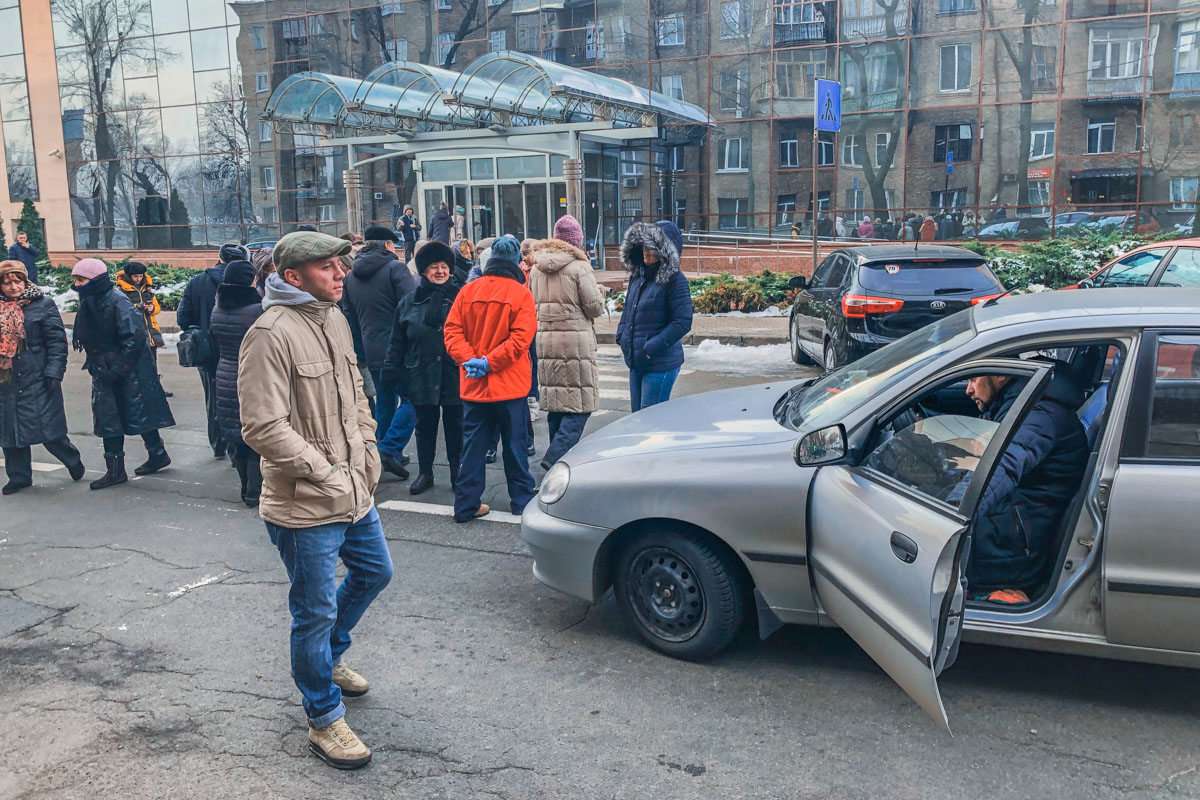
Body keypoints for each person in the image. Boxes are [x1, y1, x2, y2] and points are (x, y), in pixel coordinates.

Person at [238, 231, 390, 771]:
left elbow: (357, 398)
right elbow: (262, 426)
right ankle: (323, 717)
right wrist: (325, 472)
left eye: (340, 266)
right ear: (292, 276)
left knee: (375, 572)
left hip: (355, 486)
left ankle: (330, 658)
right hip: (306, 501)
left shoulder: (334, 318)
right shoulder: (270, 333)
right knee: (314, 611)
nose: (340, 274)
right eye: (328, 267)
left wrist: (369, 448)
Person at [967, 368, 1088, 604]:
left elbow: (1002, 468)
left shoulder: (1039, 415)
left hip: (1020, 549)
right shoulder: (1018, 405)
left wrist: (953, 513)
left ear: (1001, 376)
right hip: (1022, 523)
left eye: (974, 378)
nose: (968, 389)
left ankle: (996, 595)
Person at [443, 236, 537, 522]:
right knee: (515, 446)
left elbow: (452, 332)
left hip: (474, 387)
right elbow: (520, 341)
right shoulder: (521, 294)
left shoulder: (468, 290)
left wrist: (470, 359)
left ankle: (466, 504)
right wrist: (489, 362)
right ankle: (521, 500)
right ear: (514, 264)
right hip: (509, 386)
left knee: (473, 447)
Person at [70, 258, 175, 490]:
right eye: (76, 280)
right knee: (113, 417)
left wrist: (118, 368)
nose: (77, 285)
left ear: (95, 280)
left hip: (126, 369)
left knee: (133, 413)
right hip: (105, 367)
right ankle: (119, 468)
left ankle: (152, 456)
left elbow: (135, 337)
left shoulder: (117, 301)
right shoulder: (91, 300)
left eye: (81, 279)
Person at [382, 241, 463, 496]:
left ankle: (457, 474)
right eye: (433, 267)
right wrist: (391, 370)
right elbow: (397, 341)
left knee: (456, 430)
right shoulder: (409, 303)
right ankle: (425, 473)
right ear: (423, 272)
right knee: (424, 429)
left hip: (454, 374)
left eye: (443, 266)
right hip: (420, 373)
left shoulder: (462, 298)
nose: (440, 271)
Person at [342, 225, 419, 480]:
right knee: (413, 400)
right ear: (387, 245)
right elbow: (412, 306)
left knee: (385, 402)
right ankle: (389, 448)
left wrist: (360, 351)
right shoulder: (395, 269)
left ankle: (379, 453)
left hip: (371, 350)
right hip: (402, 349)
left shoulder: (351, 277)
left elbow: (349, 317)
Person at [0, 260, 85, 494]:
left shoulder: (42, 305)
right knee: (11, 432)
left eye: (17, 281)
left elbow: (56, 342)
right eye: (7, 283)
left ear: (26, 281)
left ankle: (72, 459)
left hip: (37, 375)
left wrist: (54, 371)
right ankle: (19, 477)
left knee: (49, 429)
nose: (13, 287)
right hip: (6, 378)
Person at [529, 215, 605, 470]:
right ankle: (555, 456)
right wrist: (602, 294)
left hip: (546, 340)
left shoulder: (536, 268)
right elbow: (593, 308)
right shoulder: (579, 267)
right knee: (580, 405)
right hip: (575, 341)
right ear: (576, 241)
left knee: (557, 404)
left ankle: (558, 460)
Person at [178, 242, 247, 458]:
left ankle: (218, 443)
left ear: (219, 258)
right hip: (238, 349)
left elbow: (183, 317)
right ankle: (239, 447)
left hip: (207, 351)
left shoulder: (197, 282)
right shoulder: (244, 281)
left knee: (213, 396)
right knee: (240, 398)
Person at [616, 221, 693, 412]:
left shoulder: (675, 279)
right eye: (644, 245)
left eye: (652, 246)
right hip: (637, 360)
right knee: (637, 418)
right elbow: (628, 312)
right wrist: (622, 337)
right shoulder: (638, 275)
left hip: (659, 363)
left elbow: (682, 322)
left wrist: (650, 348)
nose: (646, 251)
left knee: (651, 423)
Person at [210, 260, 265, 508]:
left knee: (236, 432)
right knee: (255, 433)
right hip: (252, 374)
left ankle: (244, 487)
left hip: (225, 372)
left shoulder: (217, 309)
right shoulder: (257, 310)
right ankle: (255, 491)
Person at [115, 262, 167, 393]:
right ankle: (139, 389)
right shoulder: (121, 291)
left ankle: (155, 388)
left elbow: (157, 308)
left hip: (150, 330)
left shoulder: (147, 289)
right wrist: (136, 307)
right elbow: (121, 310)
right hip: (135, 330)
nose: (138, 279)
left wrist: (151, 308)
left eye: (140, 276)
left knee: (153, 361)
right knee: (137, 362)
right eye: (135, 276)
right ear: (129, 276)